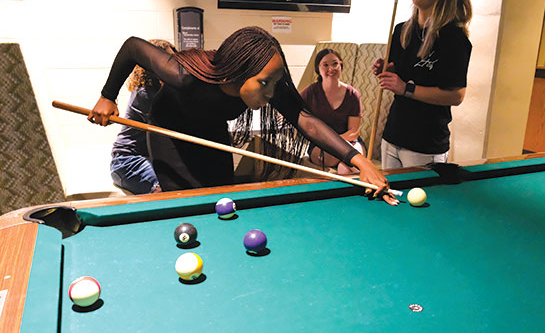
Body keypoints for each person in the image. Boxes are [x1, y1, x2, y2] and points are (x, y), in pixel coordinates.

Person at [89, 26, 398, 205]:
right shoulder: (183, 74)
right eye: (264, 84)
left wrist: (360, 162)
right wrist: (107, 96)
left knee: (222, 193)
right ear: (237, 73)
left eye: (275, 84)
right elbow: (132, 46)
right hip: (171, 131)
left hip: (210, 128)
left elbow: (306, 120)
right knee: (187, 199)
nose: (271, 93)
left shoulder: (267, 84)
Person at [372, 0, 472, 169]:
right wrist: (386, 71)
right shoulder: (402, 31)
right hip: (392, 136)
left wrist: (405, 88)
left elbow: (456, 95)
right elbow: (400, 72)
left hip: (425, 145)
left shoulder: (453, 39)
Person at [109, 39, 176, 195]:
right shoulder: (145, 93)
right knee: (164, 189)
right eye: (168, 62)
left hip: (149, 159)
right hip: (127, 161)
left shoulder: (162, 90)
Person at [301, 49, 364, 175]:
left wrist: (337, 144)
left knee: (346, 166)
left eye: (335, 64)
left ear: (341, 65)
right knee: (351, 162)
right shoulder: (311, 92)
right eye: (325, 65)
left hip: (349, 142)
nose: (331, 68)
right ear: (318, 69)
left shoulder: (352, 94)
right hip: (321, 146)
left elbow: (354, 132)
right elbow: (292, 107)